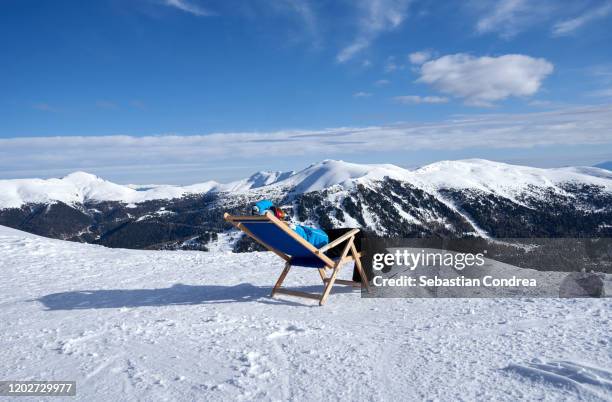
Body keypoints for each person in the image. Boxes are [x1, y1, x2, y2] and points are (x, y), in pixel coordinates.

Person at [251, 199, 328, 248]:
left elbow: (269, 202)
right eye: (278, 214)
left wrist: (258, 208)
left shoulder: (265, 231)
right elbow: (314, 235)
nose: (282, 216)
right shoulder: (289, 229)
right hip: (323, 243)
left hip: (303, 249)